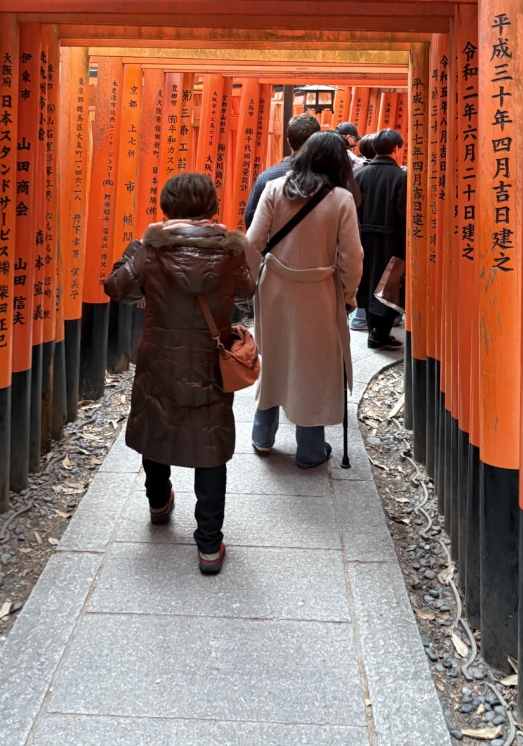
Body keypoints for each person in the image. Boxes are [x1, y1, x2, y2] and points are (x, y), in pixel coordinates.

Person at [104, 172, 256, 575]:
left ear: (166, 207)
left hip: (160, 358)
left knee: (158, 423)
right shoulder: (230, 251)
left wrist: (137, 251)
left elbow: (116, 288)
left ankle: (158, 502)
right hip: (209, 360)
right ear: (211, 207)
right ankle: (209, 544)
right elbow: (248, 292)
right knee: (210, 443)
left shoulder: (150, 250)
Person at [246, 131, 364, 466]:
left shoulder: (274, 188)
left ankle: (262, 435)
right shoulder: (341, 199)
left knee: (275, 357)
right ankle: (310, 449)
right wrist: (348, 294)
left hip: (274, 289)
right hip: (318, 292)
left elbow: (252, 243)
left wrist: (253, 283)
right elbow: (352, 257)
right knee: (312, 366)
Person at [354, 127, 407, 349]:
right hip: (391, 242)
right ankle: (379, 333)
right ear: (396, 148)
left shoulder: (358, 175)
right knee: (388, 286)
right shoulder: (401, 177)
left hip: (361, 239)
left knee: (367, 284)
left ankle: (374, 331)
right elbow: (404, 215)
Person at [243, 112, 320, 229]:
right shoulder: (329, 179)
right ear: (318, 141)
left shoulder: (266, 178)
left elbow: (251, 220)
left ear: (288, 142)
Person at [349, 133, 380, 332]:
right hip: (379, 233)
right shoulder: (395, 173)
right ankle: (369, 317)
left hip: (357, 229)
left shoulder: (355, 173)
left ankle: (358, 315)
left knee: (361, 272)